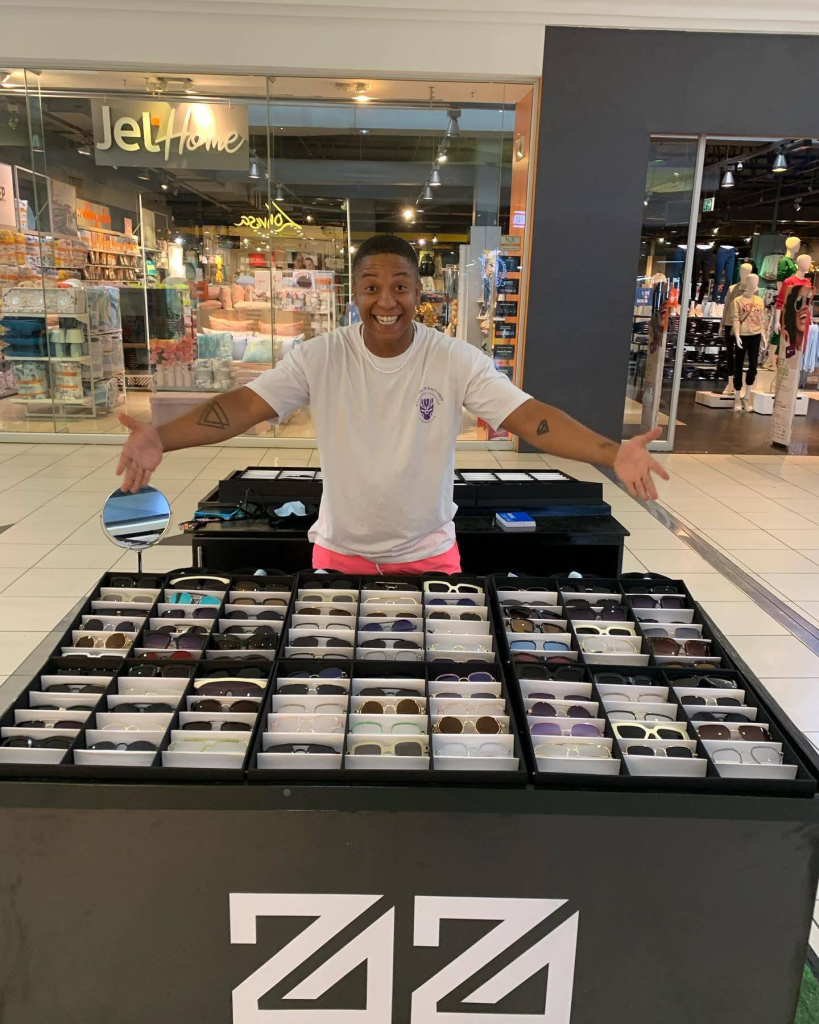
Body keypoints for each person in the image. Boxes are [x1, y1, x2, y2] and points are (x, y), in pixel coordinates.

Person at [117, 234, 668, 573]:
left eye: (400, 286)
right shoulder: (320, 357)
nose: (386, 300)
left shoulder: (454, 359)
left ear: (418, 293)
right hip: (338, 554)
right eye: (372, 287)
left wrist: (611, 452)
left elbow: (531, 418)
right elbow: (242, 407)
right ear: (355, 293)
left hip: (430, 555)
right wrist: (159, 436)